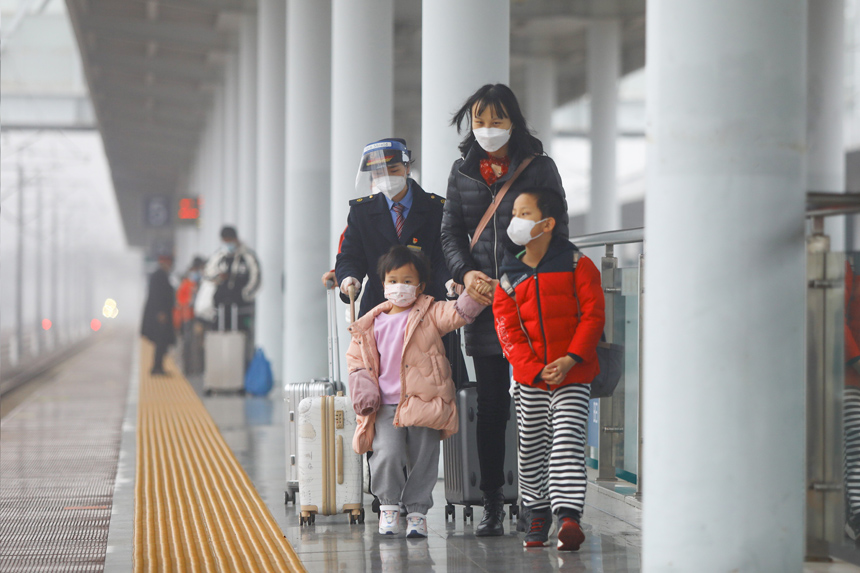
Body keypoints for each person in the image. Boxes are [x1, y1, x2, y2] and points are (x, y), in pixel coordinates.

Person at [440, 83, 569, 536]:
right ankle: (494, 502)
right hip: (486, 309)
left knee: (538, 404)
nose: (488, 129)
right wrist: (465, 275)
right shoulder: (462, 172)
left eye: (497, 120)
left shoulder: (540, 169)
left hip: (531, 306)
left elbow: (558, 228)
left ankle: (543, 501)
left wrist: (523, 275)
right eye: (480, 121)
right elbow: (450, 233)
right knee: (492, 405)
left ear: (513, 120)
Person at [346, 246, 487, 538]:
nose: (400, 287)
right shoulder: (371, 324)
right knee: (387, 453)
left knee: (424, 457)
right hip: (385, 404)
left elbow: (459, 313)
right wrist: (361, 384)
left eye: (408, 281)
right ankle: (388, 506)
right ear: (383, 284)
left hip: (426, 400)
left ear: (420, 286)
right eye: (393, 279)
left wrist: (475, 292)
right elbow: (356, 359)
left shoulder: (431, 313)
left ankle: (417, 512)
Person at [493, 188, 604, 550]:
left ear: (547, 223)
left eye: (524, 214)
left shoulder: (577, 264)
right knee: (532, 444)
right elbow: (507, 332)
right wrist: (536, 370)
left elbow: (593, 315)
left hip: (573, 372)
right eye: (514, 214)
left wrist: (571, 358)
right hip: (532, 379)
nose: (515, 222)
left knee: (567, 442)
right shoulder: (508, 276)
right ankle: (536, 514)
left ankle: (568, 516)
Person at [335, 138, 450, 317]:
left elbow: (443, 256)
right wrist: (349, 277)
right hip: (378, 310)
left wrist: (450, 281)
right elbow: (350, 255)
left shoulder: (435, 208)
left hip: (429, 310)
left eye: (394, 170)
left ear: (407, 168)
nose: (387, 178)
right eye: (379, 173)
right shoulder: (362, 212)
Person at [204, 226, 261, 362]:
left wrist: (244, 294)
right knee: (219, 337)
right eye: (224, 240)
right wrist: (219, 276)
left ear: (235, 239)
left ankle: (242, 370)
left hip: (241, 308)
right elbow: (208, 273)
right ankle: (222, 369)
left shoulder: (248, 256)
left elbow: (256, 278)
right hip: (221, 308)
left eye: (229, 240)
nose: (227, 243)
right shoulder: (219, 256)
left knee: (242, 339)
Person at [141, 254, 177, 376]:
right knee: (161, 341)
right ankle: (157, 367)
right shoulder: (159, 276)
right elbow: (157, 295)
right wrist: (160, 312)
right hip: (159, 314)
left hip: (161, 313)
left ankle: (158, 366)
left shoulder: (162, 275)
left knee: (161, 342)